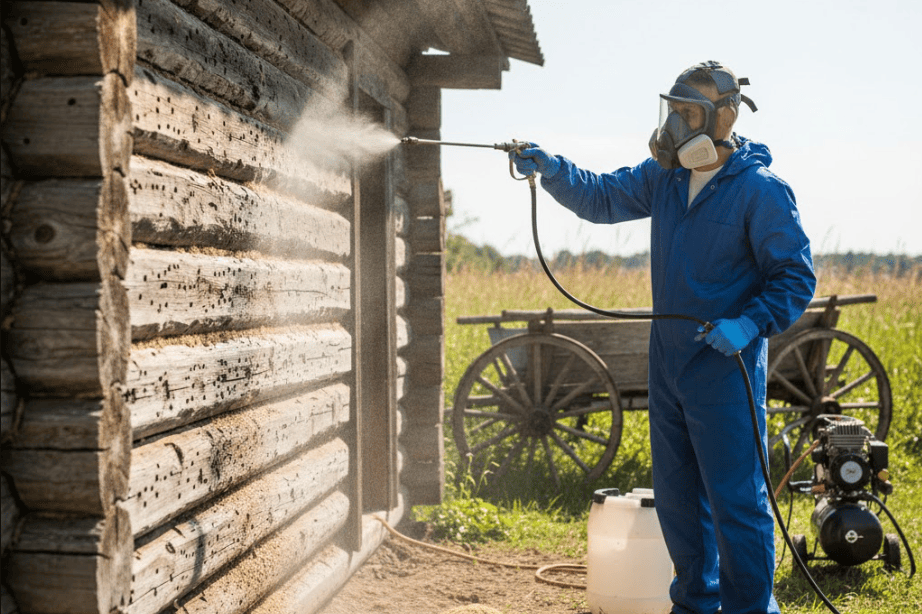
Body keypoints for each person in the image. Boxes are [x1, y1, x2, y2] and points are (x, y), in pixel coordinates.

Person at [511, 61, 816, 614]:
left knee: (735, 503)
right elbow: (602, 198)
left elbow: (795, 278)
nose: (676, 124)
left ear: (724, 116)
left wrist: (748, 323)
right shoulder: (665, 178)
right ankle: (695, 605)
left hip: (727, 368)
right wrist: (553, 170)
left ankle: (750, 610)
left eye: (689, 112)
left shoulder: (761, 192)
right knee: (679, 502)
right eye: (672, 110)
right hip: (669, 365)